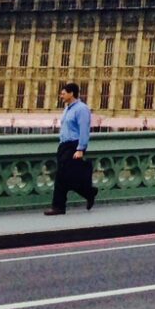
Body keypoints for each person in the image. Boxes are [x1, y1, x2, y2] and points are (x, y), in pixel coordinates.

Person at [47, 81, 96, 215]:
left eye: (63, 93)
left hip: (74, 145)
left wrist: (80, 148)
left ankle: (58, 206)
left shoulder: (81, 109)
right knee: (66, 176)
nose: (61, 96)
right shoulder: (67, 109)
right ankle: (89, 192)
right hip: (64, 145)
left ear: (71, 93)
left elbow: (84, 130)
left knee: (61, 175)